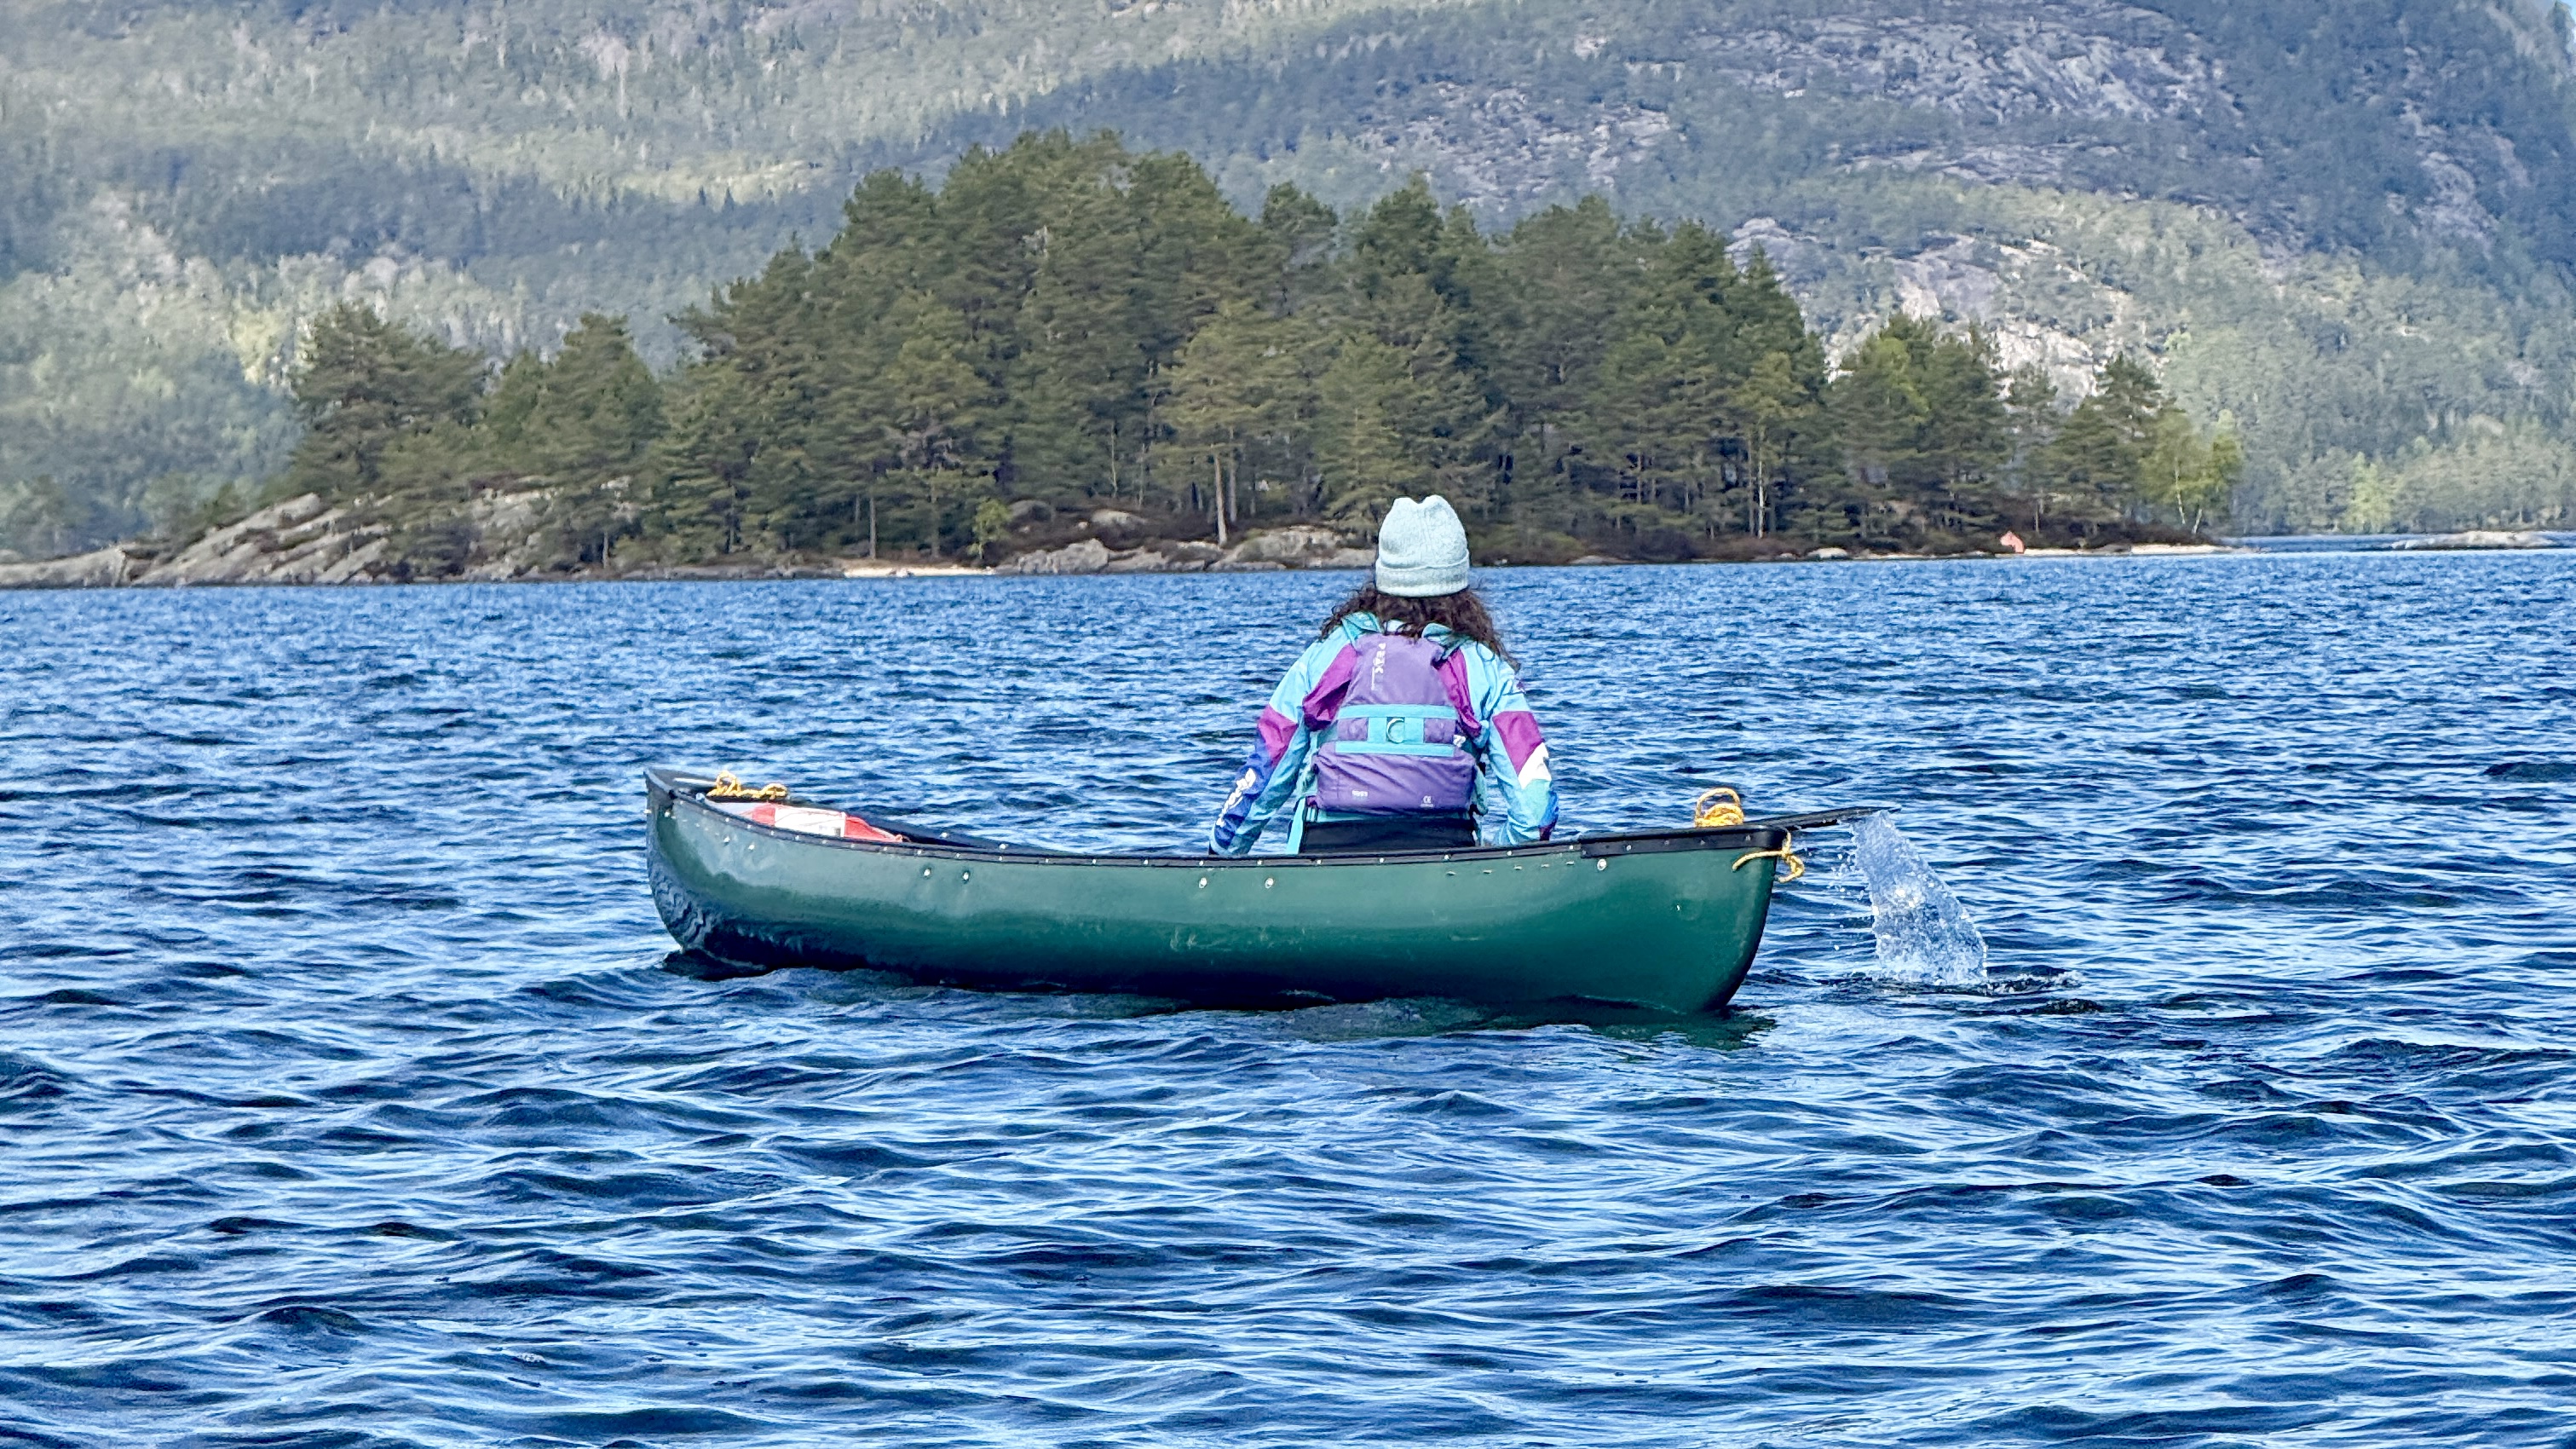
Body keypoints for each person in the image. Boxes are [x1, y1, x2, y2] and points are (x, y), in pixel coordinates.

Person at [1209, 495, 1558, 855]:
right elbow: (1534, 810)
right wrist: (1498, 851)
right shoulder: (1482, 665)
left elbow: (1271, 759)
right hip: (1446, 853)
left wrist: (1222, 852)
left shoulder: (1327, 655)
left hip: (1325, 852)